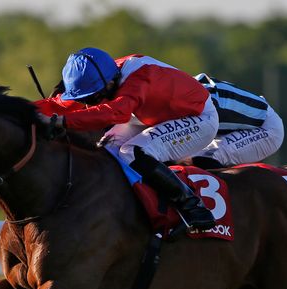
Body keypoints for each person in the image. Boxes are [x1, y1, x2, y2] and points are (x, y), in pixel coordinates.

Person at [34, 48, 219, 230]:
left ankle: (193, 207)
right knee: (105, 154)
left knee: (132, 152)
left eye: (92, 98)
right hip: (150, 117)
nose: (90, 104)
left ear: (109, 83)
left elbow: (117, 112)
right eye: (86, 99)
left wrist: (62, 121)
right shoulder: (100, 76)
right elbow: (59, 104)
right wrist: (18, 111)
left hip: (197, 119)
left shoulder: (139, 77)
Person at [189, 73, 284, 168]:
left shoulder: (194, 99)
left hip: (265, 126)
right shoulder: (186, 89)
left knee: (202, 157)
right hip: (248, 120)